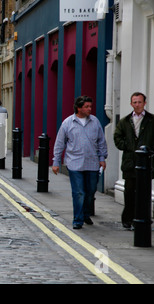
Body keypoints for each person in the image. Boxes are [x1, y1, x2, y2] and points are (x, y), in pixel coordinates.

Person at [52, 95, 108, 229]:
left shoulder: (95, 122)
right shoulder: (67, 123)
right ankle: (78, 219)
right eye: (86, 106)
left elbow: (101, 141)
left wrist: (102, 158)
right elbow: (60, 143)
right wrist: (56, 162)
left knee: (90, 191)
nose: (90, 109)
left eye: (90, 106)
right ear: (79, 108)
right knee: (78, 192)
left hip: (92, 163)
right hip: (74, 163)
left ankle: (85, 213)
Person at [113, 92, 154, 229]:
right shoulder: (125, 121)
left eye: (140, 102)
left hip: (146, 162)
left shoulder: (153, 120)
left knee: (144, 192)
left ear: (144, 103)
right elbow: (117, 137)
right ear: (131, 104)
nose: (137, 105)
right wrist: (128, 146)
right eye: (134, 102)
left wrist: (149, 147)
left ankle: (142, 218)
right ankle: (128, 219)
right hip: (130, 162)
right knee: (129, 192)